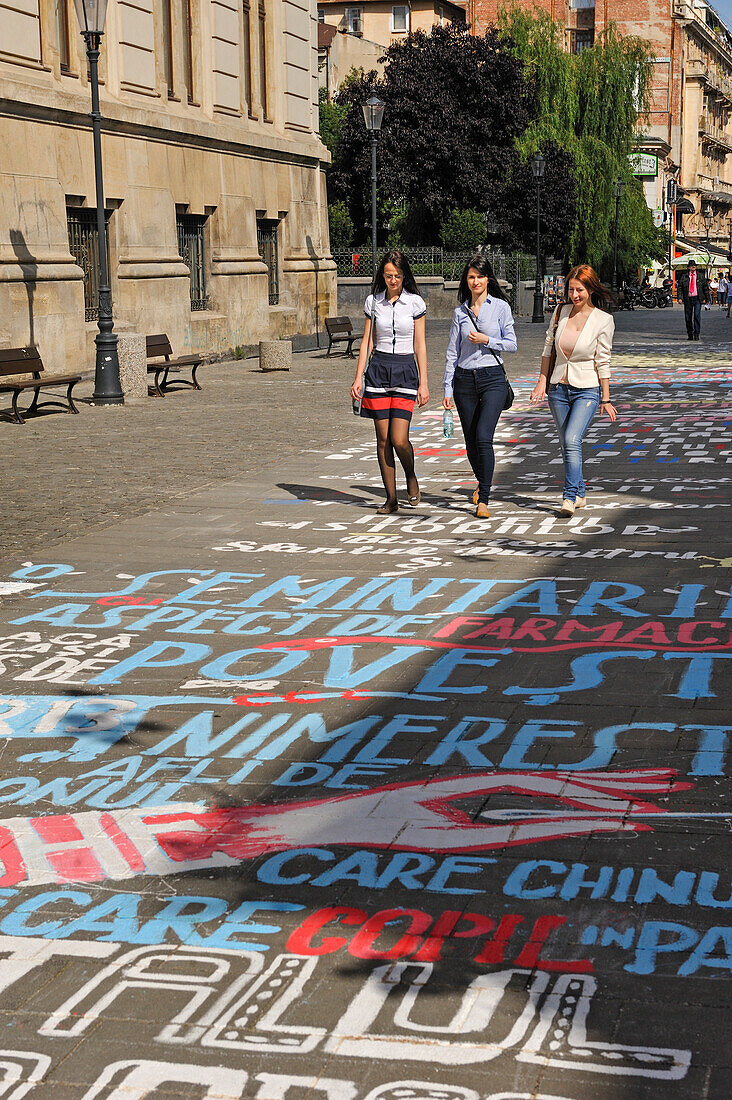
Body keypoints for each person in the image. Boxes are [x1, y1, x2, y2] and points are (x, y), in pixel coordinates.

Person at [529, 264, 617, 516]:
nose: (574, 295)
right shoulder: (560, 312)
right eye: (571, 290)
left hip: (586, 389)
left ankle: (569, 497)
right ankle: (580, 492)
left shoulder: (603, 320)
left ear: (590, 289)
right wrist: (542, 381)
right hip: (558, 389)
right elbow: (548, 349)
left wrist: (606, 397)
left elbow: (603, 360)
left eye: (579, 290)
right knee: (567, 443)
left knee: (571, 439)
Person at [350, 250, 429, 514]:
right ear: (382, 276)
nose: (392, 280)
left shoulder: (415, 303)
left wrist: (424, 382)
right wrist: (358, 376)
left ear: (404, 275)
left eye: (396, 275)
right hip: (379, 371)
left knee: (399, 439)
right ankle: (391, 498)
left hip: (406, 370)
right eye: (388, 275)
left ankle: (411, 476)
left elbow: (420, 344)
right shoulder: (373, 302)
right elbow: (367, 341)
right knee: (382, 439)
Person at [442, 253, 517, 518]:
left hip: (492, 379)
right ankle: (481, 482)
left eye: (480, 276)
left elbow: (512, 343)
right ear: (467, 279)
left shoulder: (500, 308)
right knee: (471, 442)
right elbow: (452, 352)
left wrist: (487, 339)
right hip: (464, 381)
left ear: (488, 279)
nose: (476, 281)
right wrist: (447, 388)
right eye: (471, 276)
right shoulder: (459, 312)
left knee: (484, 436)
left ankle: (484, 498)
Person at [677, 259, 710, 339]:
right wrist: (680, 298)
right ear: (688, 267)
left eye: (694, 266)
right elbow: (680, 288)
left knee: (697, 315)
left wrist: (707, 298)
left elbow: (705, 287)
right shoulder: (684, 276)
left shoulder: (700, 276)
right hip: (688, 298)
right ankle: (690, 334)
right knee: (688, 317)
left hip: (697, 298)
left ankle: (697, 334)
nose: (693, 267)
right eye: (692, 266)